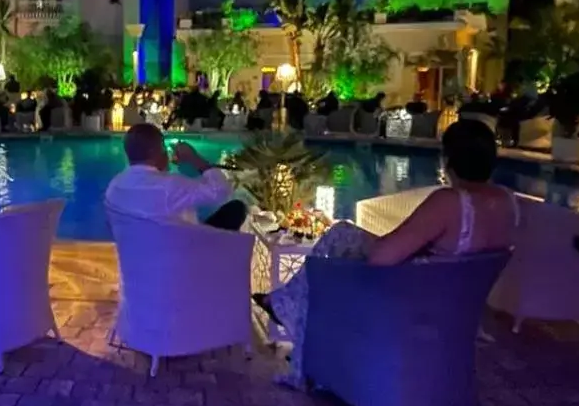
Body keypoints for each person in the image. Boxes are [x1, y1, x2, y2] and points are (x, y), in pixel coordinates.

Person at [261, 118, 519, 385]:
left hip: (412, 309)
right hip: (457, 314)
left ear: (449, 159)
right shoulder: (506, 202)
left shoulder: (450, 202)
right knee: (347, 235)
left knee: (338, 244)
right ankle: (282, 303)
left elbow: (381, 258)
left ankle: (284, 308)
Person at [105, 122, 247, 230]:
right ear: (154, 151)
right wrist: (195, 159)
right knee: (236, 209)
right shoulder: (170, 186)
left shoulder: (114, 186)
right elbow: (221, 191)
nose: (166, 153)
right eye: (163, 147)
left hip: (137, 258)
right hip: (180, 255)